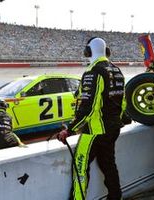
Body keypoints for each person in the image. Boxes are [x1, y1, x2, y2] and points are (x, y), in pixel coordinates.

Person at [57, 37, 126, 200]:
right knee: (109, 165)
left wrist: (70, 129)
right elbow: (123, 103)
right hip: (113, 128)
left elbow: (88, 107)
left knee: (80, 167)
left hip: (95, 130)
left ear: (88, 51)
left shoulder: (93, 72)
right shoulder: (117, 70)